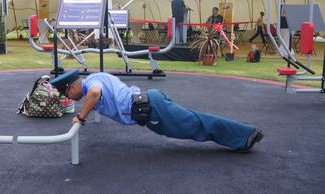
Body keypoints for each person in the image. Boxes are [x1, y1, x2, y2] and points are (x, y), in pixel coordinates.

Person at [51, 70, 264, 152]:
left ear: (72, 86)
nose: (69, 99)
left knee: (195, 124)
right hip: (150, 102)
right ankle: (242, 136)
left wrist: (80, 117)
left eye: (67, 94)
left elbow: (95, 94)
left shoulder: (91, 86)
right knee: (192, 124)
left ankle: (245, 135)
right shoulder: (96, 76)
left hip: (151, 108)